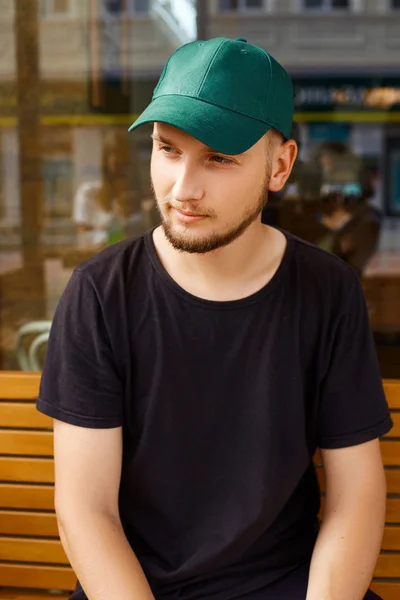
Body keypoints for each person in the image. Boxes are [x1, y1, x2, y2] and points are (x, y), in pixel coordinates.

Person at [36, 37, 392, 600]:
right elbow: (86, 509)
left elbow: (356, 494)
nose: (183, 189)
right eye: (168, 149)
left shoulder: (326, 290)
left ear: (280, 166)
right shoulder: (101, 293)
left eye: (219, 158)